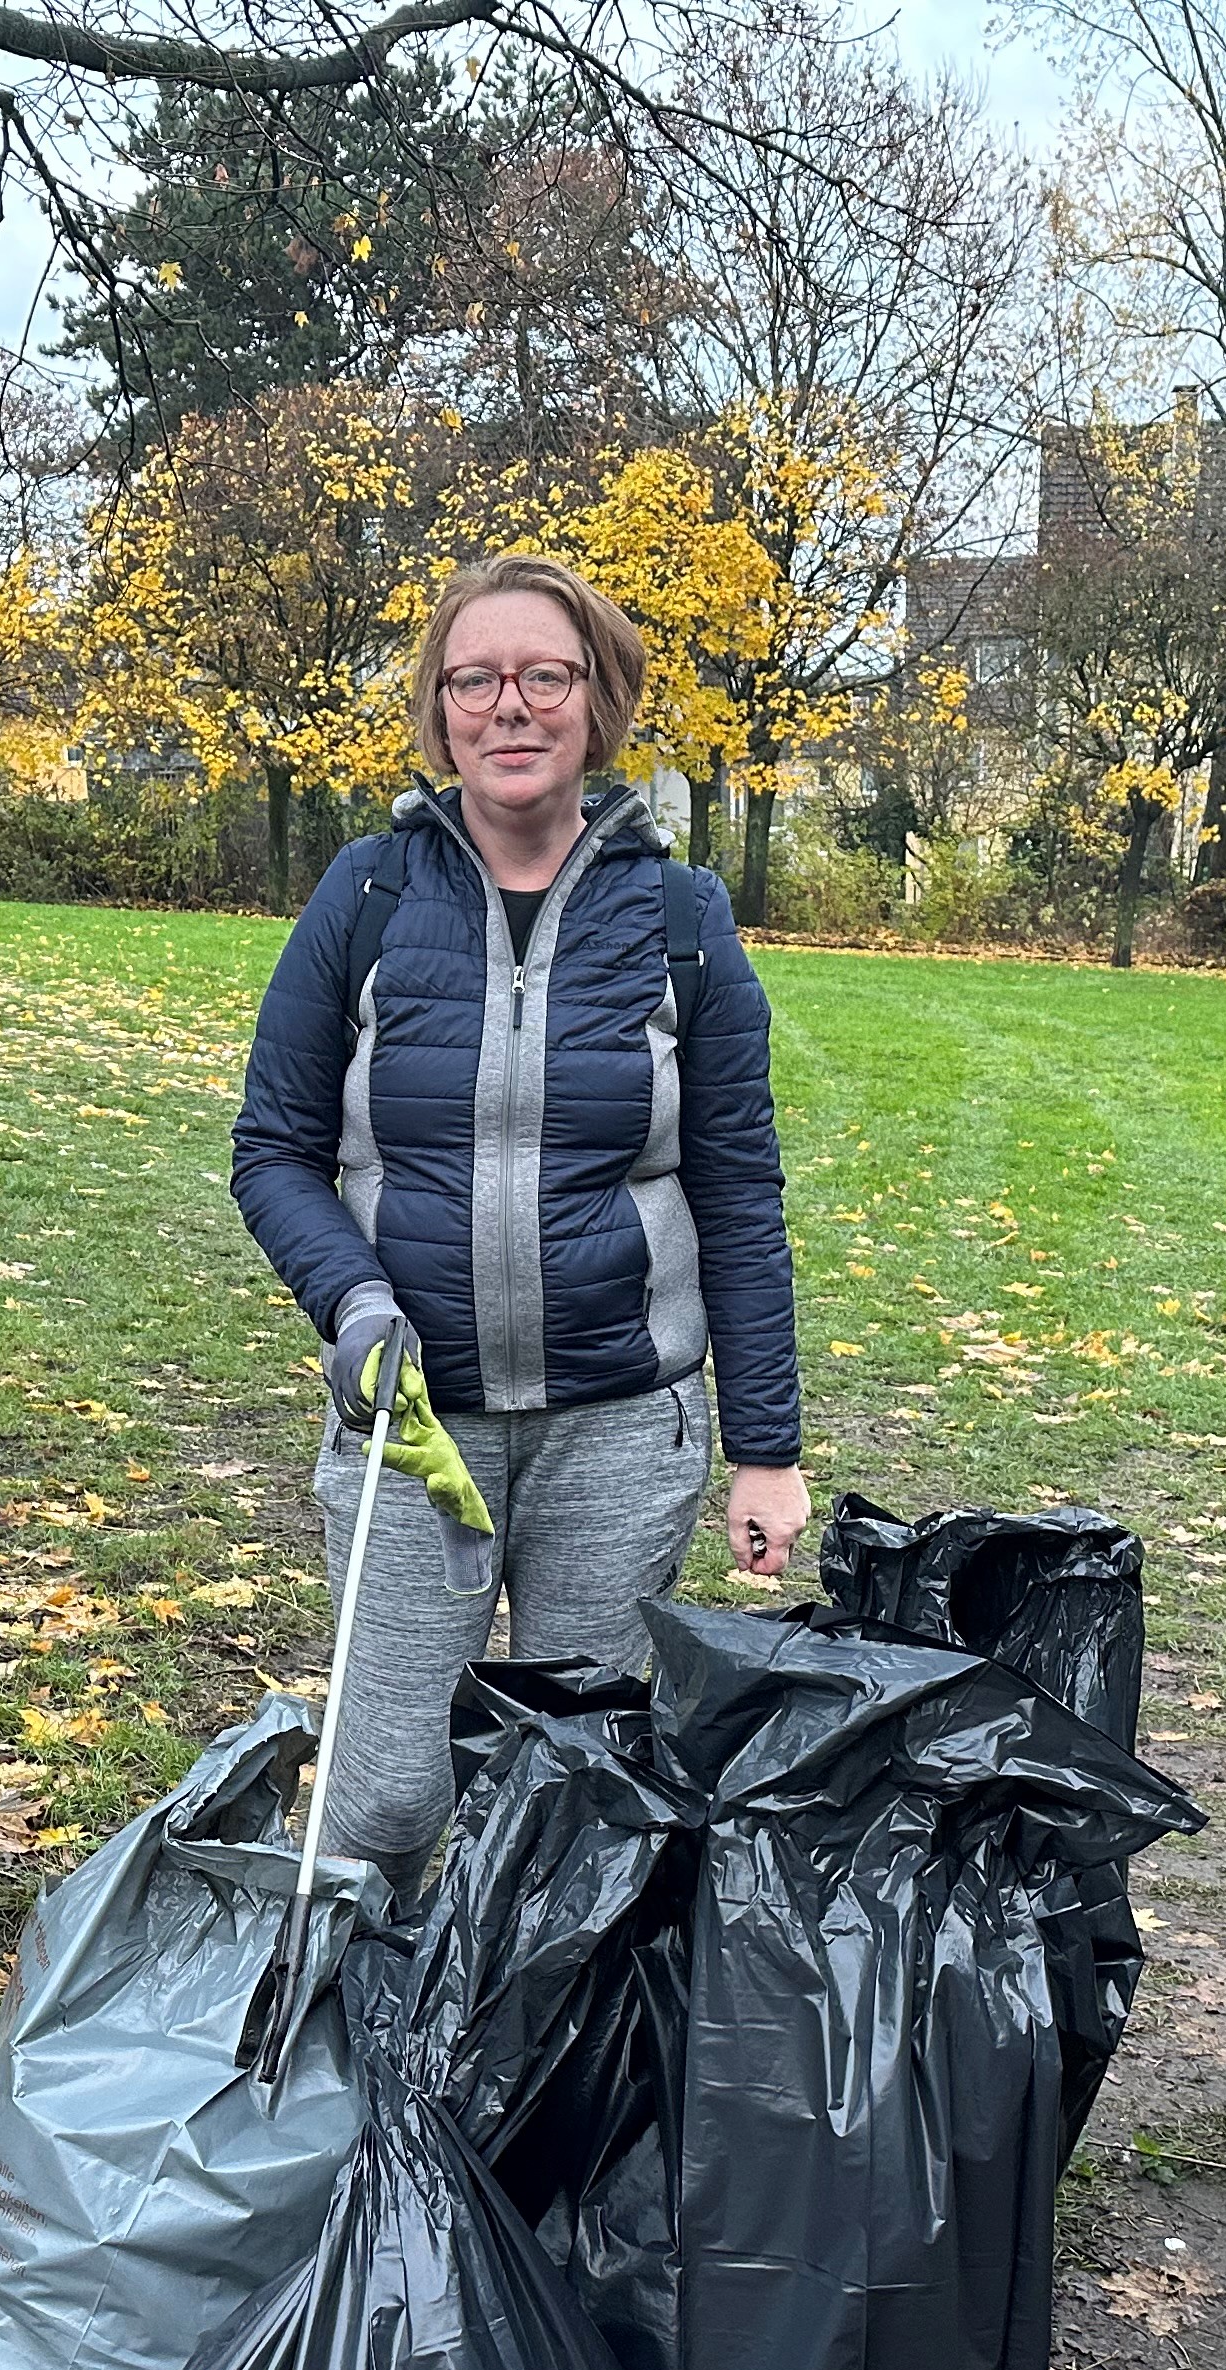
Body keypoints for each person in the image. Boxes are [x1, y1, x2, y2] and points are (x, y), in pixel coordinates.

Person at [231, 554, 805, 1873]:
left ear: (595, 701)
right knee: (380, 1804)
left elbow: (736, 1189)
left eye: (545, 676)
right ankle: (364, 2058)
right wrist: (356, 1300)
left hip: (620, 1430)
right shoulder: (367, 896)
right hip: (413, 1430)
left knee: (575, 1803)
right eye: (475, 680)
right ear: (438, 713)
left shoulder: (680, 916)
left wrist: (765, 1448)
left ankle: (531, 2072)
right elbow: (272, 1149)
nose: (511, 706)